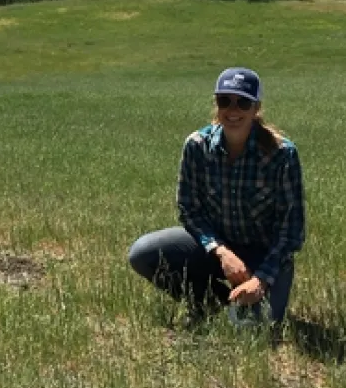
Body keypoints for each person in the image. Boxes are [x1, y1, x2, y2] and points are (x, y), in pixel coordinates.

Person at [127, 67, 306, 324]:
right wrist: (221, 252)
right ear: (216, 104)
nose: (233, 110)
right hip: (215, 249)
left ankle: (247, 306)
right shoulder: (196, 146)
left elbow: (292, 231)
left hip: (264, 255)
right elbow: (189, 209)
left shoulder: (282, 154)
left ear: (256, 108)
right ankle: (213, 304)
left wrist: (261, 279)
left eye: (243, 102)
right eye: (225, 101)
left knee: (256, 328)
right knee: (142, 254)